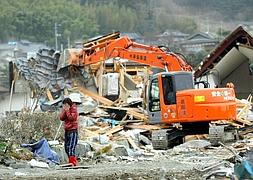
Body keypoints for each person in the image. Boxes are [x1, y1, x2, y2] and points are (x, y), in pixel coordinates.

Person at [59, 97, 78, 166]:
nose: (64, 106)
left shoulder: (74, 109)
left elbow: (71, 118)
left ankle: (72, 162)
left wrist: (67, 111)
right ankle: (71, 161)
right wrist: (64, 111)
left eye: (66, 105)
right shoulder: (66, 110)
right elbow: (61, 118)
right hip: (67, 130)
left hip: (73, 130)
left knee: (71, 147)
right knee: (66, 147)